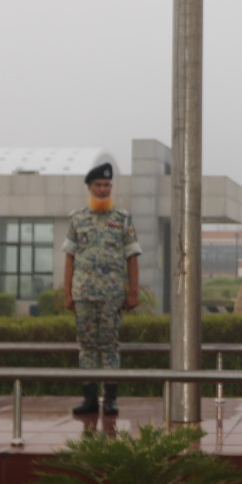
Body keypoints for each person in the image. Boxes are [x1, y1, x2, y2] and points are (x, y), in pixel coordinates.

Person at [63, 160, 141, 417]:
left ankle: (110, 399)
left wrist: (133, 292)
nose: (104, 189)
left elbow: (132, 256)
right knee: (86, 345)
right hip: (84, 293)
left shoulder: (122, 219)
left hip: (111, 294)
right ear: (89, 187)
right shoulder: (77, 218)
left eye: (107, 185)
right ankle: (89, 399)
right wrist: (68, 293)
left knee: (109, 345)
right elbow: (70, 257)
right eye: (99, 185)